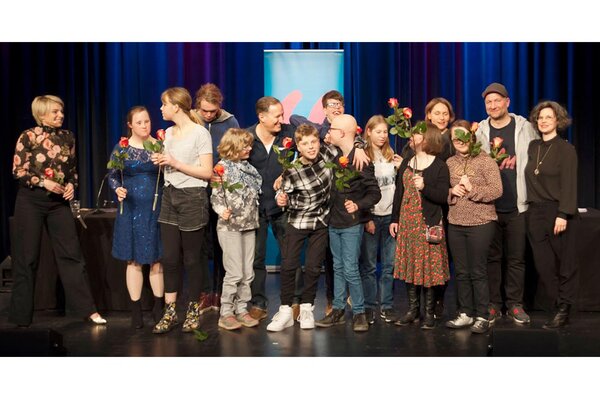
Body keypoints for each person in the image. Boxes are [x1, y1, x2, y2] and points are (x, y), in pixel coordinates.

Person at [9, 94, 106, 327]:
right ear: (41, 113)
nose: (60, 115)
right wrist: (43, 182)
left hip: (58, 203)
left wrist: (72, 185)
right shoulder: (28, 136)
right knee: (27, 258)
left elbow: (72, 170)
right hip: (31, 200)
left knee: (72, 255)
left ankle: (88, 310)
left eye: (61, 111)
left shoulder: (67, 136)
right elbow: (18, 171)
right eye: (55, 112)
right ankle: (21, 317)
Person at [475, 82, 539, 324]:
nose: (493, 105)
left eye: (497, 100)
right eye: (488, 102)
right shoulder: (479, 132)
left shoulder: (525, 128)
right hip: (489, 207)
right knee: (491, 259)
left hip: (517, 206)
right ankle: (494, 304)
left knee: (516, 259)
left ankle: (514, 304)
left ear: (507, 102)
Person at [151, 87, 213, 334]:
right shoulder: (168, 133)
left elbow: (207, 172)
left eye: (164, 104)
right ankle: (170, 311)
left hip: (192, 197)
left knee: (191, 258)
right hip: (170, 195)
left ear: (176, 106)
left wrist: (175, 162)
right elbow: (168, 166)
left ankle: (193, 309)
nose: (161, 108)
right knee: (169, 258)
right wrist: (160, 161)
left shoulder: (199, 133)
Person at [266, 124, 338, 331]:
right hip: (297, 221)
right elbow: (284, 196)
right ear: (298, 146)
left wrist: (359, 145)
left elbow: (347, 145)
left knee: (314, 267)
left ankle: (307, 307)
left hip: (320, 221)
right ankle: (286, 310)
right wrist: (282, 200)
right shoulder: (293, 170)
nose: (311, 147)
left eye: (314, 142)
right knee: (289, 265)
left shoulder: (328, 155)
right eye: (305, 144)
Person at [314, 114, 381, 332]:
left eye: (332, 129)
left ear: (341, 133)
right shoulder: (336, 157)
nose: (328, 132)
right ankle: (339, 309)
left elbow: (375, 193)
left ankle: (359, 312)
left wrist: (359, 205)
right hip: (334, 221)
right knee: (338, 267)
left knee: (351, 268)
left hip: (351, 223)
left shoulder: (361, 160)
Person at [288, 89, 345, 315]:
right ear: (324, 109)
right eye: (332, 104)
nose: (337, 107)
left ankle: (336, 299)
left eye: (340, 104)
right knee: (311, 259)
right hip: (316, 202)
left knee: (336, 258)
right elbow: (294, 119)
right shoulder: (318, 131)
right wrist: (326, 131)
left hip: (341, 201)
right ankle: (301, 302)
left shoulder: (349, 129)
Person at [390, 122, 450, 330]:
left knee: (429, 268)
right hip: (408, 222)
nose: (412, 137)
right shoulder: (408, 162)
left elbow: (443, 196)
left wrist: (425, 187)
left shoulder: (439, 165)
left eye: (417, 134)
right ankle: (413, 310)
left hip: (427, 222)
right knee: (410, 266)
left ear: (427, 138)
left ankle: (429, 312)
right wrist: (394, 219)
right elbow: (400, 193)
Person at [108, 106, 164, 329]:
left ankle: (159, 308)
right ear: (130, 125)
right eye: (139, 122)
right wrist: (118, 188)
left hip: (155, 208)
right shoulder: (122, 148)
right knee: (133, 260)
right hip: (130, 210)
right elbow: (112, 175)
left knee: (156, 260)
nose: (144, 125)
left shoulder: (159, 146)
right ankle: (136, 310)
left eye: (147, 121)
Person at [445, 120, 502, 334]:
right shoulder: (450, 162)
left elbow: (497, 191)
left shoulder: (485, 161)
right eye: (455, 138)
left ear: (471, 135)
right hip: (456, 222)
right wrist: (452, 192)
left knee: (477, 271)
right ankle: (465, 313)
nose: (459, 141)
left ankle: (482, 315)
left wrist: (472, 189)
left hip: (481, 222)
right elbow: (446, 191)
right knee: (461, 271)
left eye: (462, 136)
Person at [525, 101, 578, 328]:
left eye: (549, 117)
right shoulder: (533, 146)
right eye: (541, 117)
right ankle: (558, 303)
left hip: (557, 211)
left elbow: (569, 183)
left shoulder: (566, 149)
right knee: (544, 265)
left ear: (558, 120)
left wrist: (563, 214)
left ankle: (564, 309)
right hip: (534, 212)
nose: (544, 121)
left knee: (564, 264)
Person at [245, 96, 298, 321]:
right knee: (256, 258)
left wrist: (288, 173)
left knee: (290, 255)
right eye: (277, 116)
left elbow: (315, 142)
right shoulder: (246, 136)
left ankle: (294, 301)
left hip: (282, 206)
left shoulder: (288, 133)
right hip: (255, 207)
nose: (281, 120)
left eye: (282, 115)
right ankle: (258, 302)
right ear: (262, 117)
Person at [193, 83, 240, 315]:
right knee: (202, 244)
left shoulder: (230, 121)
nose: (209, 115)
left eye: (213, 111)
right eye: (205, 111)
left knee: (223, 244)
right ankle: (204, 293)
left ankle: (222, 293)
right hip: (197, 190)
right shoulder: (191, 120)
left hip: (222, 189)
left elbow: (237, 154)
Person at [210, 128, 262, 330]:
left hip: (248, 224)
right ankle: (226, 312)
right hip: (230, 226)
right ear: (234, 146)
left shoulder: (248, 168)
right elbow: (216, 196)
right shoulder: (222, 168)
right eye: (245, 145)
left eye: (249, 144)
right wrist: (222, 210)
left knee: (247, 272)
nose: (249, 148)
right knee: (234, 272)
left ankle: (241, 309)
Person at [358, 115, 402, 324]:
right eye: (378, 132)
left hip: (390, 217)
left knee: (388, 266)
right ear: (368, 132)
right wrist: (366, 217)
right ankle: (368, 306)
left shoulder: (392, 155)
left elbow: (397, 188)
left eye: (385, 132)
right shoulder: (363, 156)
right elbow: (360, 191)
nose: (383, 136)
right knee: (368, 266)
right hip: (372, 217)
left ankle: (387, 305)